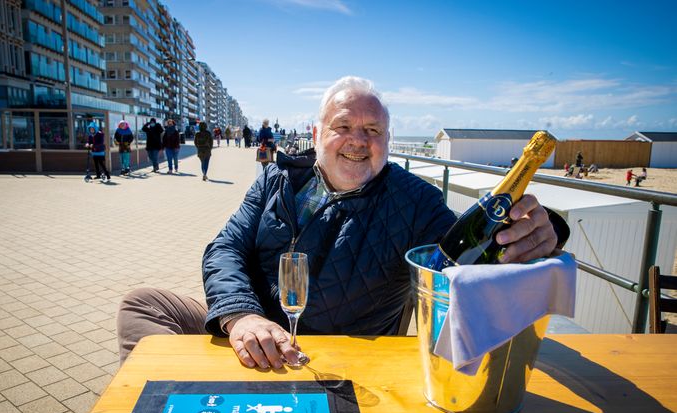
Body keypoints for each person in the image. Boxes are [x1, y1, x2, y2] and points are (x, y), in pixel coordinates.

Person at [116, 76, 567, 368]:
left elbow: (469, 265)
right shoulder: (279, 178)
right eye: (343, 126)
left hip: (337, 363)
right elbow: (226, 248)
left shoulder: (415, 202)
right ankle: (176, 406)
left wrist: (545, 235)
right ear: (316, 135)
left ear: (388, 141)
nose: (357, 141)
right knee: (142, 305)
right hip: (255, 331)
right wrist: (242, 316)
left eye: (372, 131)